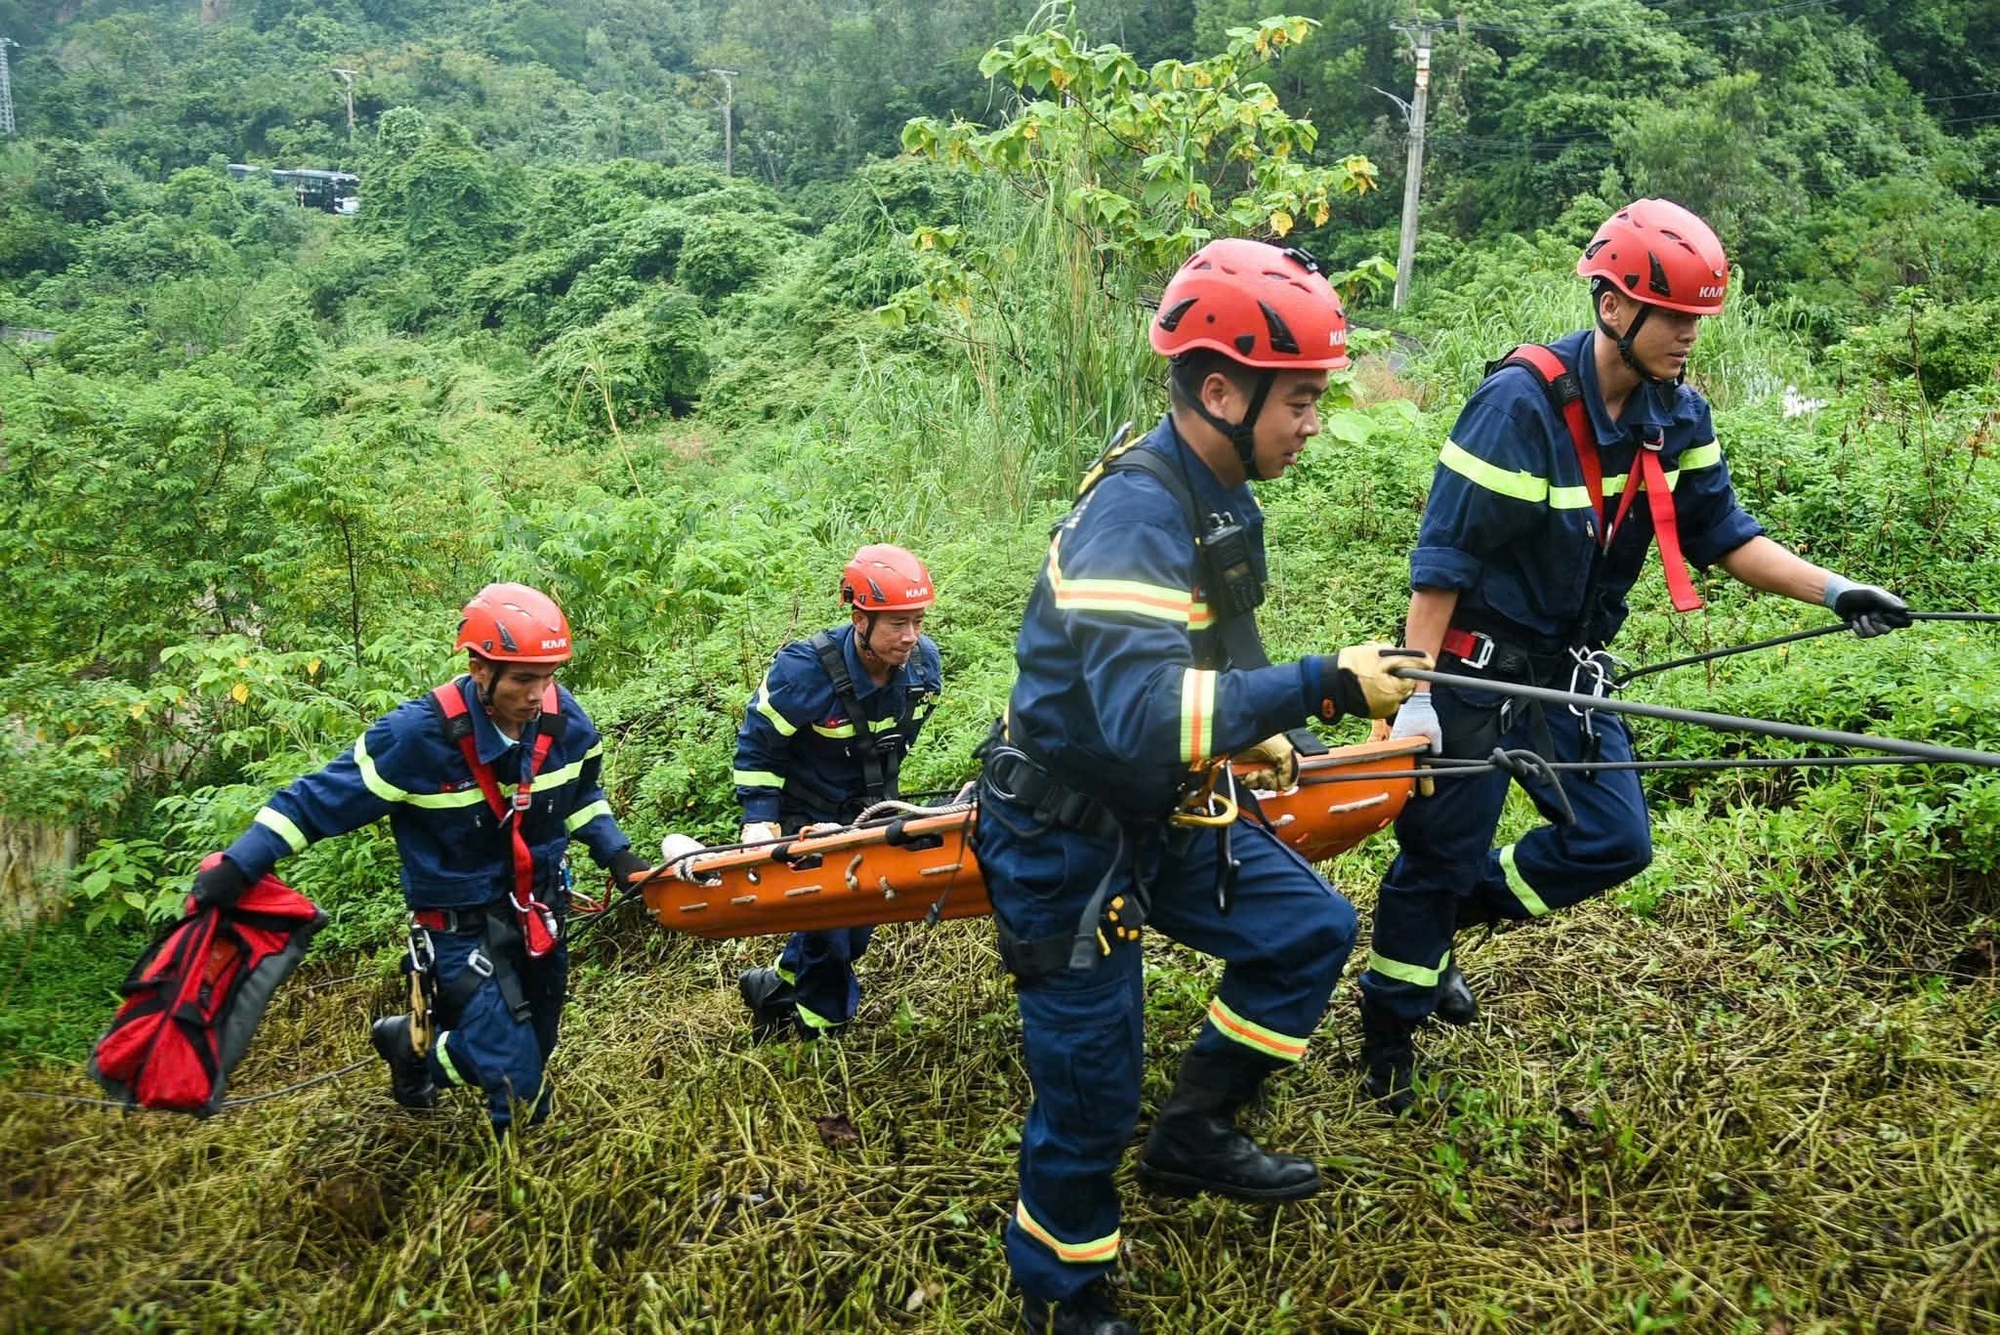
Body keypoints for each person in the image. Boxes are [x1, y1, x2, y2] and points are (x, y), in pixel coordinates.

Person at [1357, 198, 1912, 1112]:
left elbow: (1722, 533)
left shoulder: (1676, 415)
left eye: (1699, 319)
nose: (1689, 337)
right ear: (1616, 307)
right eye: (1677, 317)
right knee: (1437, 850)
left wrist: (1835, 588)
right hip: (1476, 662)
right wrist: (1418, 693)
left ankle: (1451, 917)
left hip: (1566, 668)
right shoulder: (1518, 405)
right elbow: (1443, 560)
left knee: (1612, 840)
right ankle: (1389, 1037)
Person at [972, 237, 1428, 1335]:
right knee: (1089, 1086)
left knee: (1306, 929)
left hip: (1155, 804)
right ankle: (1059, 1296)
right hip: (1063, 833)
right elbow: (1135, 711)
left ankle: (1194, 1135)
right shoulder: (1134, 514)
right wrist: (1319, 687)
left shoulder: (1222, 497)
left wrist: (1249, 732)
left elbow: (1201, 667)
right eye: (1301, 400)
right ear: (1219, 389)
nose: (1312, 422)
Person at [190, 582, 652, 1134]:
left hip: (538, 911)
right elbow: (314, 801)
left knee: (538, 1043)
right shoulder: (415, 738)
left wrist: (619, 857)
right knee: (517, 1077)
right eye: (524, 679)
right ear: (481, 671)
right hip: (458, 928)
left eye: (547, 677)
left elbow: (581, 795)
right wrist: (241, 865)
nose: (538, 694)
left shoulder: (564, 721)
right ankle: (517, 1181)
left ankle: (413, 1050)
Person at [732, 545, 943, 1040]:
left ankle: (773, 987)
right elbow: (759, 747)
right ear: (860, 618)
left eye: (916, 621)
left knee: (857, 926)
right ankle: (821, 1034)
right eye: (896, 624)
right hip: (803, 813)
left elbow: (891, 745)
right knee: (832, 927)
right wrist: (760, 819)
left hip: (866, 810)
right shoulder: (805, 671)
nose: (910, 637)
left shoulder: (923, 668)